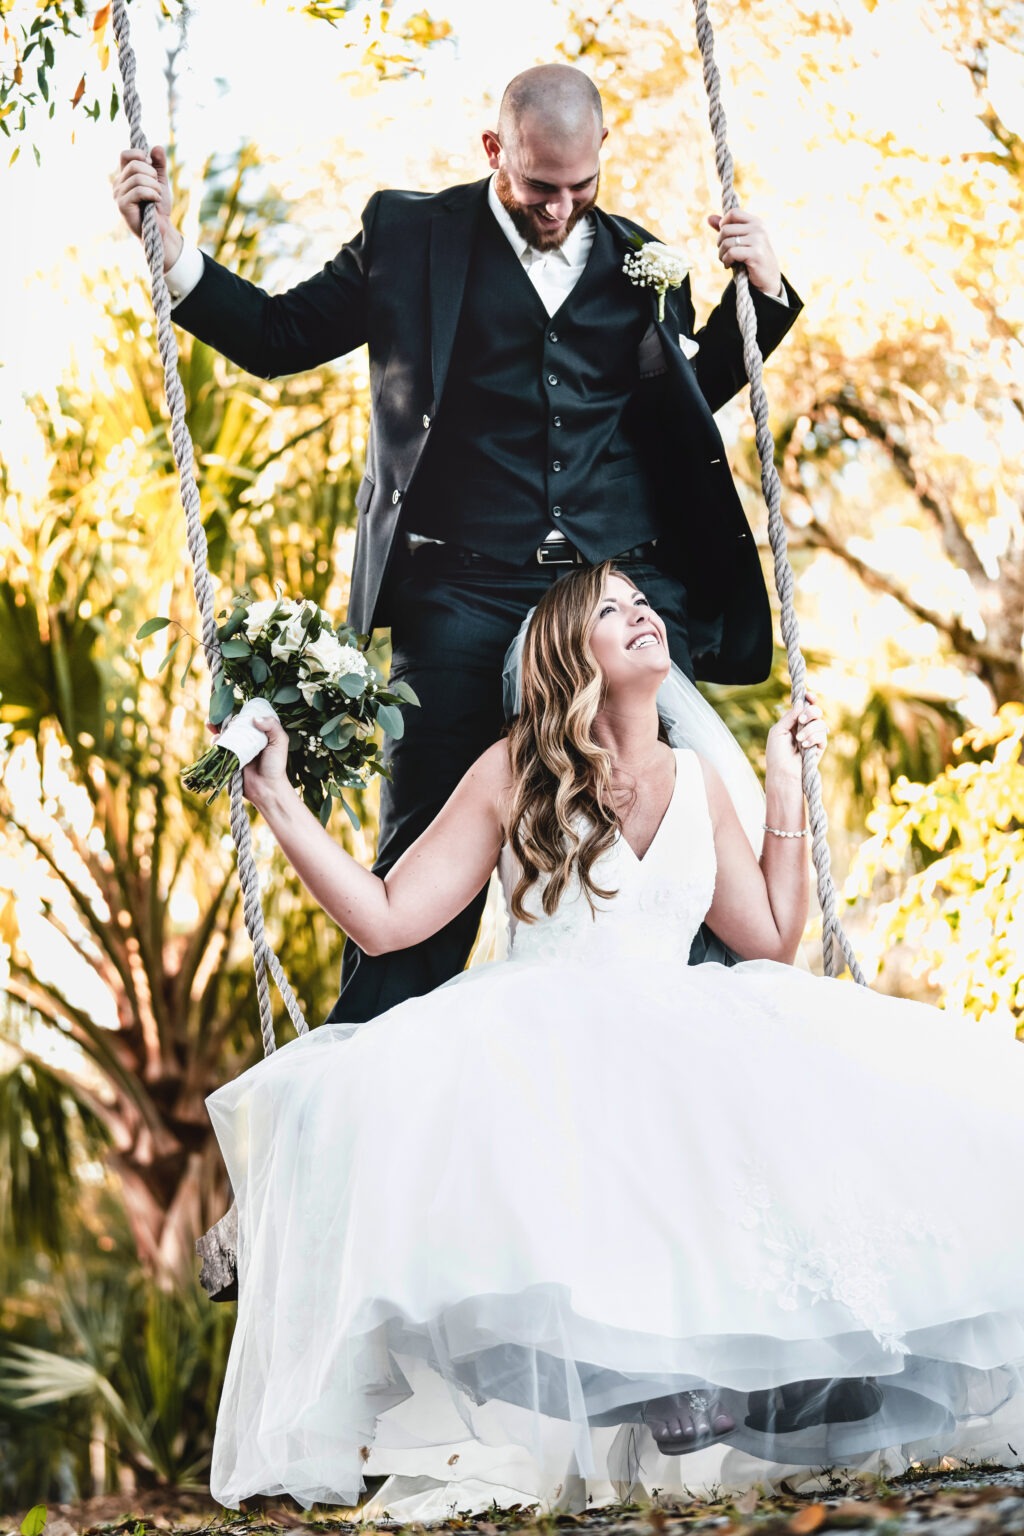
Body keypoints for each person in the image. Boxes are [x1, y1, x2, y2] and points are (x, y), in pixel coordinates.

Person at [204, 563, 1024, 1516]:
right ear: (568, 651)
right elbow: (388, 920)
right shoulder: (516, 770)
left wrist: (784, 788)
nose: (642, 615)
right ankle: (652, 1380)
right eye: (611, 608)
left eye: (644, 601)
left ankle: (736, 1379)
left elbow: (770, 939)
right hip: (543, 1029)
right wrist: (278, 801)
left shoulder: (698, 777)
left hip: (684, 1018)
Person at [112, 63, 804, 1022]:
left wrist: (762, 301)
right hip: (462, 597)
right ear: (495, 152)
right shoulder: (408, 239)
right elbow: (278, 336)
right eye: (537, 187)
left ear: (602, 162)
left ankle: (711, 1124)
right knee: (420, 873)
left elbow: (681, 411)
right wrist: (170, 248)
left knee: (677, 861)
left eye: (580, 189)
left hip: (615, 594)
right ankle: (369, 1115)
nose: (559, 209)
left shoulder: (648, 262)